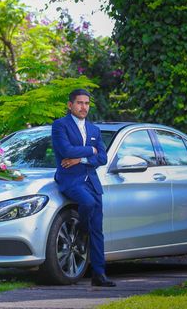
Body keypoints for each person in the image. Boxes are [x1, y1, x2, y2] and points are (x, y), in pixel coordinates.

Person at [51, 89, 115, 287]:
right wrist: (91, 150)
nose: (83, 107)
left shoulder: (94, 130)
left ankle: (99, 274)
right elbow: (66, 150)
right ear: (70, 105)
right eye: (79, 103)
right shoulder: (60, 125)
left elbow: (102, 158)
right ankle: (81, 228)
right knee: (87, 204)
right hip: (70, 180)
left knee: (98, 230)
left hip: (92, 182)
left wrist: (82, 158)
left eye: (87, 103)